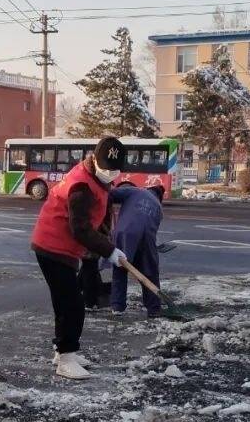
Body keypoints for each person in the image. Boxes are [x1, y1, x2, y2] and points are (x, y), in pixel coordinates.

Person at [30, 136, 128, 380]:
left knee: (65, 302)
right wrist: (109, 251)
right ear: (95, 160)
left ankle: (63, 351)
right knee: (72, 304)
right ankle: (66, 358)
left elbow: (99, 215)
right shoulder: (81, 185)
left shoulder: (95, 178)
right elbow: (80, 228)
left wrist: (107, 242)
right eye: (106, 169)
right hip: (53, 246)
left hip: (61, 247)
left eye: (115, 170)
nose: (110, 173)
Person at [108, 182, 164, 316]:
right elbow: (153, 230)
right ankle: (154, 308)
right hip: (147, 239)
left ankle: (117, 307)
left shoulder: (136, 191)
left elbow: (111, 195)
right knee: (150, 272)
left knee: (120, 270)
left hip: (125, 234)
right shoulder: (158, 207)